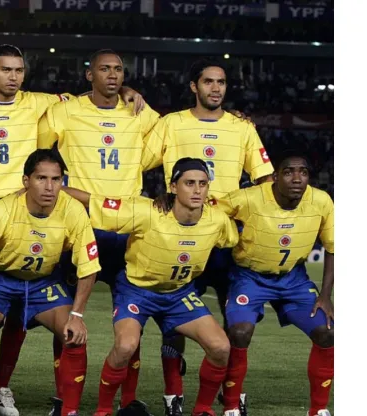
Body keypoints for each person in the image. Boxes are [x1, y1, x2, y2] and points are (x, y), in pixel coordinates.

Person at [0, 45, 143, 416]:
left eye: (19, 70)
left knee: (23, 306)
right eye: (6, 70)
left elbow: (89, 96)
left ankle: (2, 389)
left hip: (29, 200)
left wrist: (123, 90)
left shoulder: (41, 102)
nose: (13, 76)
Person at [130, 59, 274, 416]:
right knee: (172, 314)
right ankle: (173, 394)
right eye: (208, 81)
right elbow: (136, 161)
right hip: (178, 234)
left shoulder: (241, 128)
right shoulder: (171, 123)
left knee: (235, 322)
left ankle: (232, 394)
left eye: (221, 82)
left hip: (224, 236)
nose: (216, 88)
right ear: (194, 86)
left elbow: (264, 181)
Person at [35, 48, 161, 415]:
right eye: (104, 69)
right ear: (89, 74)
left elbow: (171, 135)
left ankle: (128, 402)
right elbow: (42, 152)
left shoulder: (138, 110)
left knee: (134, 317)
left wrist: (135, 94)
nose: (112, 75)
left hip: (128, 228)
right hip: (81, 225)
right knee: (69, 316)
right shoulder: (66, 110)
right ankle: (67, 402)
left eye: (118, 70)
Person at [62, 157, 239, 416]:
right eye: (189, 183)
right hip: (136, 290)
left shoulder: (218, 221)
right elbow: (93, 201)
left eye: (203, 183)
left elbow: (234, 237)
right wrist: (58, 188)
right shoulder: (146, 211)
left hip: (179, 294)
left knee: (221, 347)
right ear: (173, 186)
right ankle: (103, 410)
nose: (197, 190)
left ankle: (202, 409)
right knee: (125, 346)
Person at [0, 149, 101, 416]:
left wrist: (76, 315)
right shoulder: (2, 210)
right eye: (41, 178)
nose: (50, 187)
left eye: (56, 179)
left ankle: (70, 412)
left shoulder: (73, 210)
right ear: (26, 181)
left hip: (42, 282)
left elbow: (89, 267)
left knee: (73, 334)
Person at [215, 152, 334, 416]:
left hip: (294, 278)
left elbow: (333, 247)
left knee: (327, 332)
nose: (297, 178)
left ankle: (318, 410)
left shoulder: (321, 201)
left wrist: (325, 295)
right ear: (275, 176)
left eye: (303, 172)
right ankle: (232, 406)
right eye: (289, 171)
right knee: (240, 332)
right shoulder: (249, 197)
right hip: (249, 276)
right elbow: (208, 209)